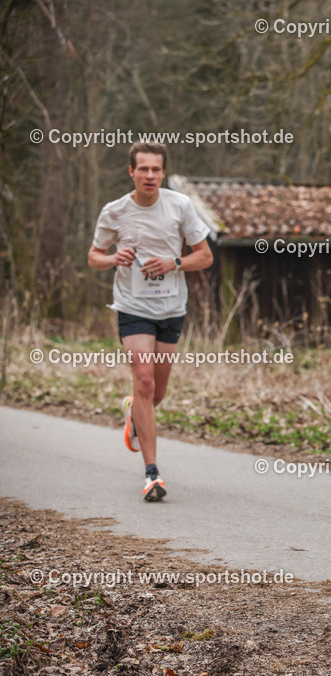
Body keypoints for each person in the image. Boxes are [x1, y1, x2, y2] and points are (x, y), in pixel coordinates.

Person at [87, 142, 213, 502]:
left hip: (171, 308)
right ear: (131, 172)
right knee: (143, 380)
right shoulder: (114, 211)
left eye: (156, 169)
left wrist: (174, 263)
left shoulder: (180, 205)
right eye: (143, 169)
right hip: (132, 306)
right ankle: (152, 474)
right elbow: (94, 256)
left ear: (163, 173)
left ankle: (133, 412)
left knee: (156, 394)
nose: (150, 175)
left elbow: (205, 256)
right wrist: (113, 259)